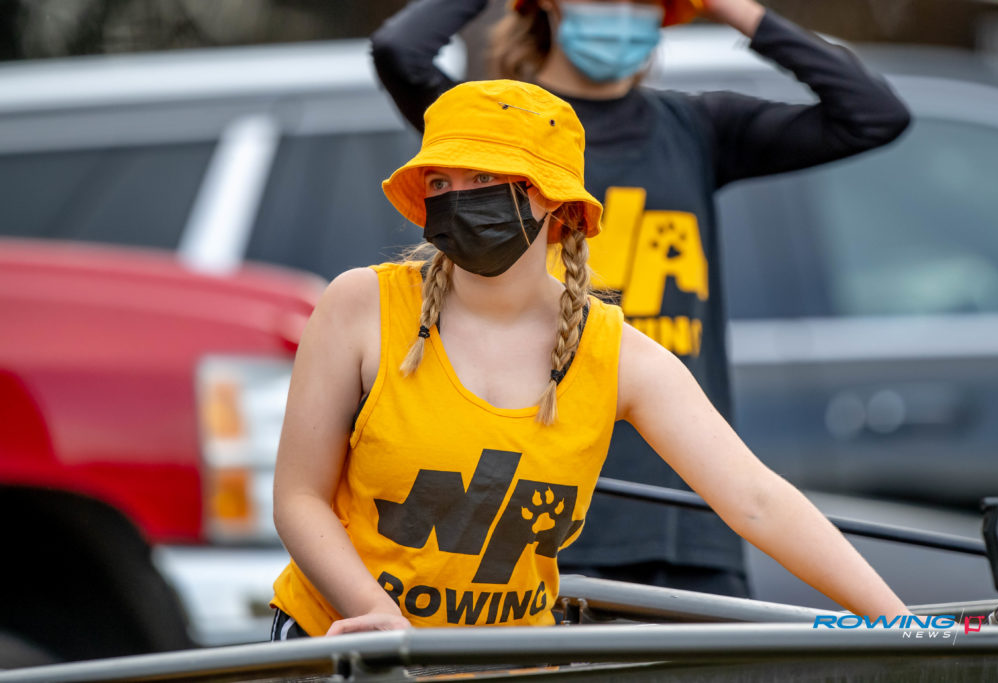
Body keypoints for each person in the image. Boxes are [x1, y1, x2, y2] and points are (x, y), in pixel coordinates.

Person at [269, 78, 909, 638]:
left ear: (551, 198)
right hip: (343, 649)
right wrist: (380, 620)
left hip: (507, 663)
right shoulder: (360, 305)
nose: (458, 197)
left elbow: (756, 500)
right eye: (441, 181)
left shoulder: (618, 353)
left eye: (485, 179)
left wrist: (902, 625)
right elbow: (299, 497)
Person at [370, 0, 912, 598]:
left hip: (693, 520)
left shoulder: (695, 128)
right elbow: (399, 51)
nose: (621, 9)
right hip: (542, 523)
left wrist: (736, 10)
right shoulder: (496, 133)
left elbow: (874, 115)